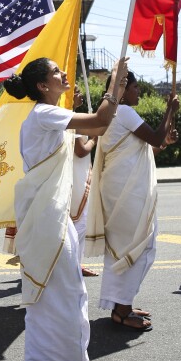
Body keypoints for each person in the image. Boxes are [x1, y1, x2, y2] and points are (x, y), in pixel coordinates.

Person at [3, 57, 127, 361]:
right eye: (57, 72)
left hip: (54, 220)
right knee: (62, 301)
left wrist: (118, 87)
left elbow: (99, 125)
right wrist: (113, 83)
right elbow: (100, 117)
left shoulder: (48, 114)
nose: (63, 74)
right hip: (49, 223)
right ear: (43, 86)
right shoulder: (45, 113)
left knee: (65, 298)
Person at [86, 72, 179, 332]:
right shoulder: (124, 112)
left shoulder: (113, 114)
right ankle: (123, 309)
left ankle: (121, 306)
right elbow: (156, 137)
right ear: (122, 90)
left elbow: (147, 149)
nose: (139, 92)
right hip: (126, 193)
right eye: (135, 87)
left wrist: (165, 142)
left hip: (119, 190)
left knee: (125, 247)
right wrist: (170, 110)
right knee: (139, 246)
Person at [71, 87, 98, 278]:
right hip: (74, 177)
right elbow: (81, 149)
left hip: (80, 174)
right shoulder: (69, 118)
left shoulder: (74, 116)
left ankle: (76, 265)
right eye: (76, 90)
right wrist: (94, 139)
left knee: (82, 223)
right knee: (78, 225)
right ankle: (71, 266)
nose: (80, 94)